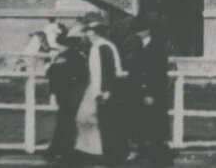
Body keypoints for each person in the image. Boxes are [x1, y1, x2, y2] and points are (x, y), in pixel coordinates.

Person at [121, 16, 174, 163]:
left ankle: (155, 152)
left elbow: (158, 73)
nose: (137, 33)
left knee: (153, 121)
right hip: (138, 91)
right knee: (139, 121)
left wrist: (150, 92)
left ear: (147, 31)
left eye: (140, 30)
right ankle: (142, 149)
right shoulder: (137, 46)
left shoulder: (157, 48)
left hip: (151, 92)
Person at [73, 15, 125, 162]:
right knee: (86, 118)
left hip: (102, 88)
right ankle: (90, 149)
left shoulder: (103, 46)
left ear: (95, 32)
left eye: (89, 31)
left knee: (92, 118)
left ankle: (99, 151)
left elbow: (108, 70)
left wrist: (105, 90)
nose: (87, 34)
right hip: (96, 87)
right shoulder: (99, 46)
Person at [45, 32, 90, 163]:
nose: (58, 47)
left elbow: (51, 72)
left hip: (65, 93)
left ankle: (57, 150)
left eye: (60, 45)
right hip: (73, 93)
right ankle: (63, 150)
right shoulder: (79, 56)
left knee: (64, 121)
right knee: (68, 121)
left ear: (65, 45)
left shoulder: (64, 57)